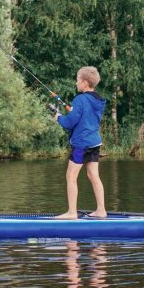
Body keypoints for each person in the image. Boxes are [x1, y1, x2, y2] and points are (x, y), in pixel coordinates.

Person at [55, 66, 107, 219]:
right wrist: (73, 111)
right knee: (93, 176)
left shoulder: (80, 99)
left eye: (77, 80)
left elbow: (70, 123)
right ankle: (101, 210)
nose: (76, 83)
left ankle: (71, 212)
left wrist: (59, 117)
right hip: (94, 143)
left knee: (71, 176)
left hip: (81, 144)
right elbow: (85, 116)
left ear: (84, 82)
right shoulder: (99, 100)